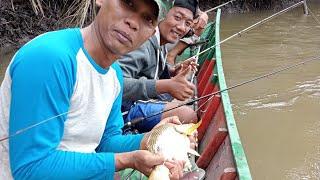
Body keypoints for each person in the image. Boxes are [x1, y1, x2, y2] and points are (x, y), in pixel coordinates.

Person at [0, 0, 186, 179]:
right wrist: (125, 160)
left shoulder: (115, 74)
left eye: (147, 19)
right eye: (128, 3)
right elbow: (31, 167)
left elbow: (106, 142)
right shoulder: (51, 58)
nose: (133, 22)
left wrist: (148, 140)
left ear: (150, 33)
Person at [118, 0, 208, 133]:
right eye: (177, 18)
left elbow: (151, 70)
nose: (182, 27)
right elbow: (116, 83)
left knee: (183, 103)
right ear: (161, 14)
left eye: (187, 23)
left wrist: (173, 71)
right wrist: (167, 85)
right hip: (123, 111)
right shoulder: (143, 43)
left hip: (138, 101)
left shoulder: (161, 40)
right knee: (186, 115)